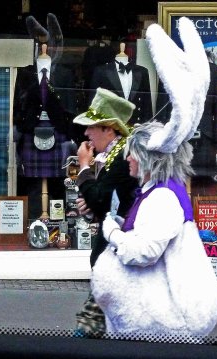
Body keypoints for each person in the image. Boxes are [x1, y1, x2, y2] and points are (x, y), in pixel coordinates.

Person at [90, 17, 217, 342]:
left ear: (146, 159)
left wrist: (112, 230)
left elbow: (142, 252)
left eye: (132, 153)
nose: (127, 158)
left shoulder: (163, 198)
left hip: (168, 323)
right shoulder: (156, 192)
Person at [72, 87, 139, 337]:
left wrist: (83, 167)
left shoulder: (122, 156)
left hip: (116, 252)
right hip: (113, 253)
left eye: (92, 127)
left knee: (89, 326)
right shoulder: (111, 155)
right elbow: (102, 201)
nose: (86, 132)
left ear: (109, 129)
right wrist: (90, 204)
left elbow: (101, 199)